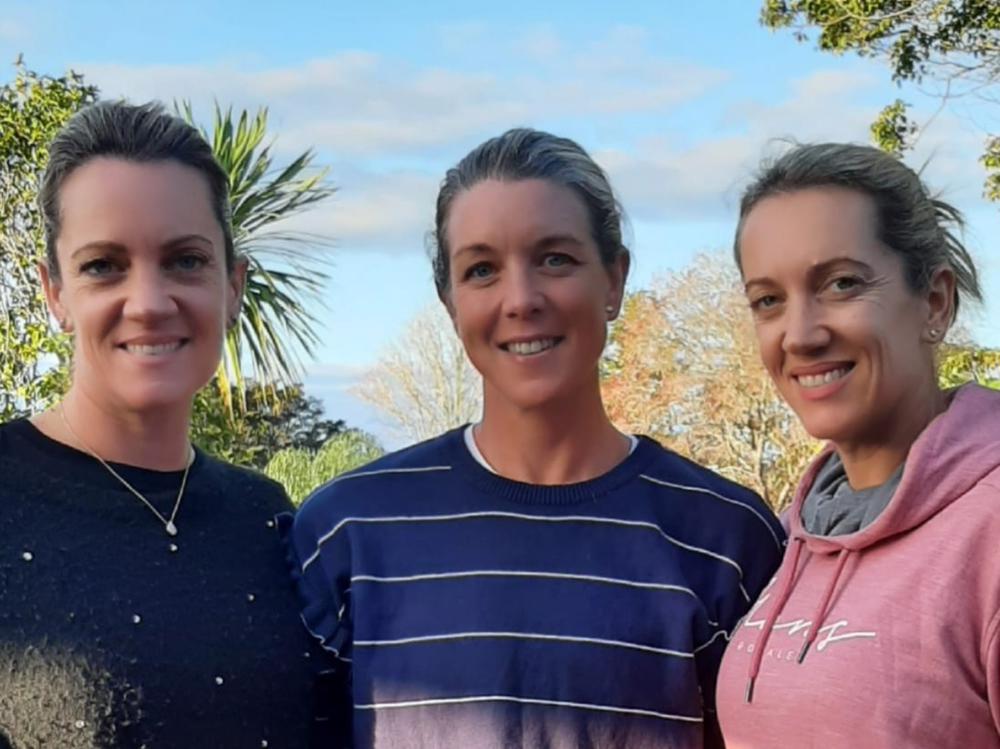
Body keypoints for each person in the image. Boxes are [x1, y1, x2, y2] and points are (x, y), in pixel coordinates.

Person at [284, 128, 784, 749]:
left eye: (555, 259)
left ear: (614, 280)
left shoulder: (727, 536)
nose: (520, 299)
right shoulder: (347, 531)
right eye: (482, 270)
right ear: (450, 302)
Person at [0, 101, 322, 747]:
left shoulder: (268, 518)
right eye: (103, 265)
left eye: (185, 260)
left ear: (233, 286)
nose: (148, 302)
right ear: (55, 293)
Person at [716, 142, 1000, 747]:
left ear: (935, 301)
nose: (800, 335)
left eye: (842, 284)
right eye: (769, 301)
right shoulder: (790, 538)